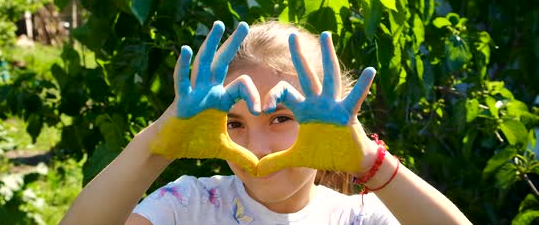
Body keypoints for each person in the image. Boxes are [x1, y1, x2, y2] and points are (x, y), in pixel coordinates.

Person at [60, 20, 472, 225]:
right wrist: (155, 146)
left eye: (280, 118)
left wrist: (370, 162)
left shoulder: (358, 218)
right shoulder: (190, 208)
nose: (255, 146)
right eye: (235, 123)